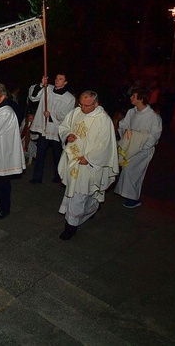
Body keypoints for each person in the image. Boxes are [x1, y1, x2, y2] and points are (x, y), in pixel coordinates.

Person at [57, 91, 119, 240]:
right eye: (81, 104)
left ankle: (75, 223)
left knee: (84, 192)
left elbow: (106, 144)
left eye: (87, 105)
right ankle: (74, 223)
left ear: (96, 104)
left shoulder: (103, 120)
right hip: (74, 159)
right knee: (78, 192)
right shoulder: (76, 112)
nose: (82, 108)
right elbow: (64, 126)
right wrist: (67, 135)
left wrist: (90, 158)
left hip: (89, 163)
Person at [114, 87, 163, 208]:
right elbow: (124, 124)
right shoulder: (132, 112)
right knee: (127, 170)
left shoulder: (153, 117)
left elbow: (154, 136)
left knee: (134, 172)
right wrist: (127, 133)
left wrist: (139, 139)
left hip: (142, 150)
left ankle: (134, 198)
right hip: (130, 147)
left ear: (141, 99)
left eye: (134, 96)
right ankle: (128, 195)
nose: (131, 98)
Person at [28, 73, 76, 183]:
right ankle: (37, 177)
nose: (57, 80)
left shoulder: (70, 98)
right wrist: (41, 84)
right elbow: (33, 97)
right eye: (56, 78)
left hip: (57, 130)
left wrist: (51, 115)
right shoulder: (47, 89)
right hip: (44, 129)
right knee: (40, 154)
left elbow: (66, 115)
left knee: (57, 155)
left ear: (65, 82)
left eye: (60, 79)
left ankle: (58, 176)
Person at [0, 84, 25, 219]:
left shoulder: (6, 112)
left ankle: (4, 209)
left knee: (3, 183)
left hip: (2, 153)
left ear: (2, 97)